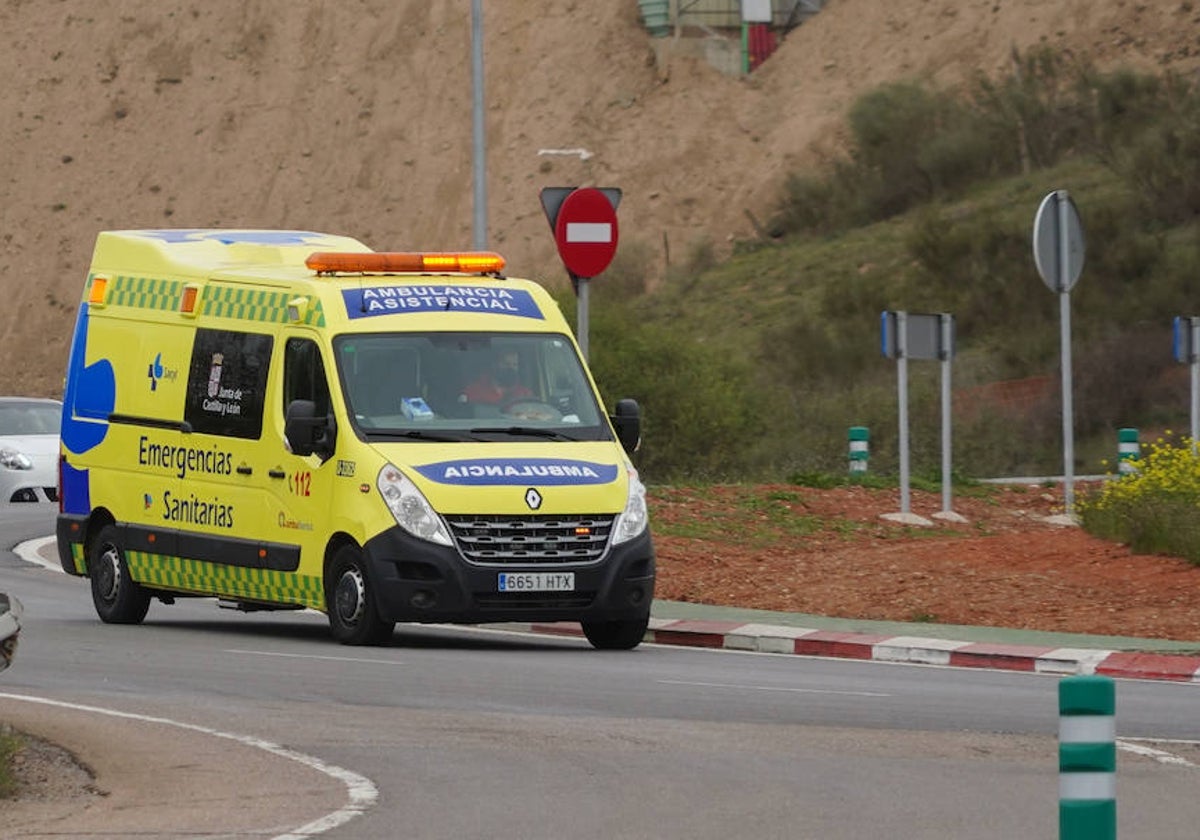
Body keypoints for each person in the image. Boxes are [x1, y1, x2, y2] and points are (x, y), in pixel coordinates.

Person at [461, 349, 532, 406]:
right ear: (494, 365)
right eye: (506, 364)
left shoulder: (525, 394)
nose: (511, 368)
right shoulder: (474, 391)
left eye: (515, 365)